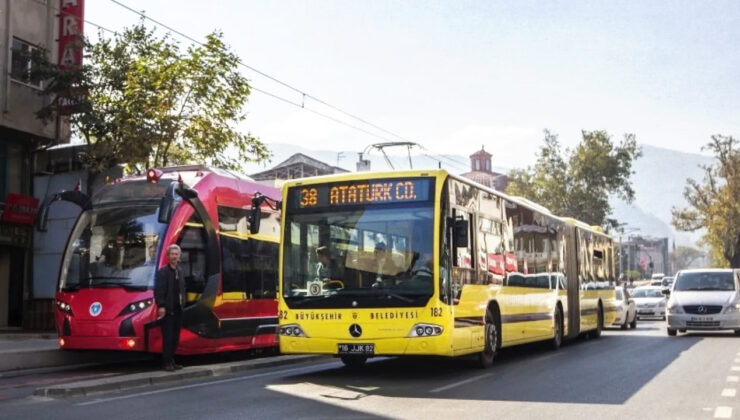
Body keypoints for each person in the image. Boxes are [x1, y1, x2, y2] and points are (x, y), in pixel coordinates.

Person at [154, 244, 186, 372]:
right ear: (168, 256)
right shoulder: (163, 272)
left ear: (179, 256)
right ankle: (166, 362)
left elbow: (183, 288)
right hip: (168, 310)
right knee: (167, 337)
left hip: (178, 309)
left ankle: (172, 361)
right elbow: (159, 291)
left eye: (176, 254)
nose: (174, 256)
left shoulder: (180, 271)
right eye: (172, 254)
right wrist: (161, 305)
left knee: (175, 338)